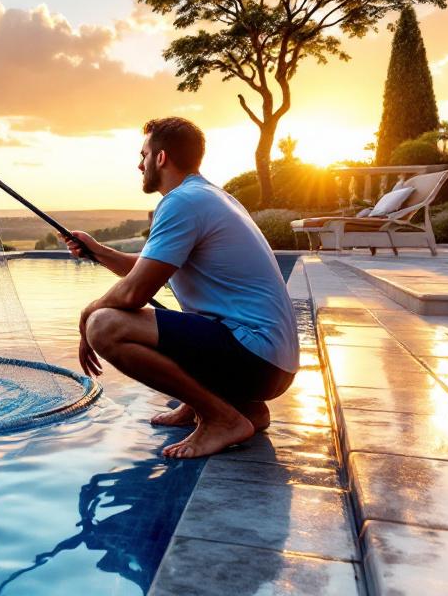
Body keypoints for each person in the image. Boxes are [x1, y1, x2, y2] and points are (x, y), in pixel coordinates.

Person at [63, 117, 298, 458]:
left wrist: (87, 313)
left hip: (255, 355)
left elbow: (134, 293)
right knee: (158, 321)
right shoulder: (208, 196)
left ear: (161, 158)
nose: (139, 164)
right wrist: (98, 250)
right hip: (272, 364)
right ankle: (242, 409)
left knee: (105, 326)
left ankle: (220, 418)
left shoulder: (182, 202)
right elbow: (146, 268)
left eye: (144, 155)